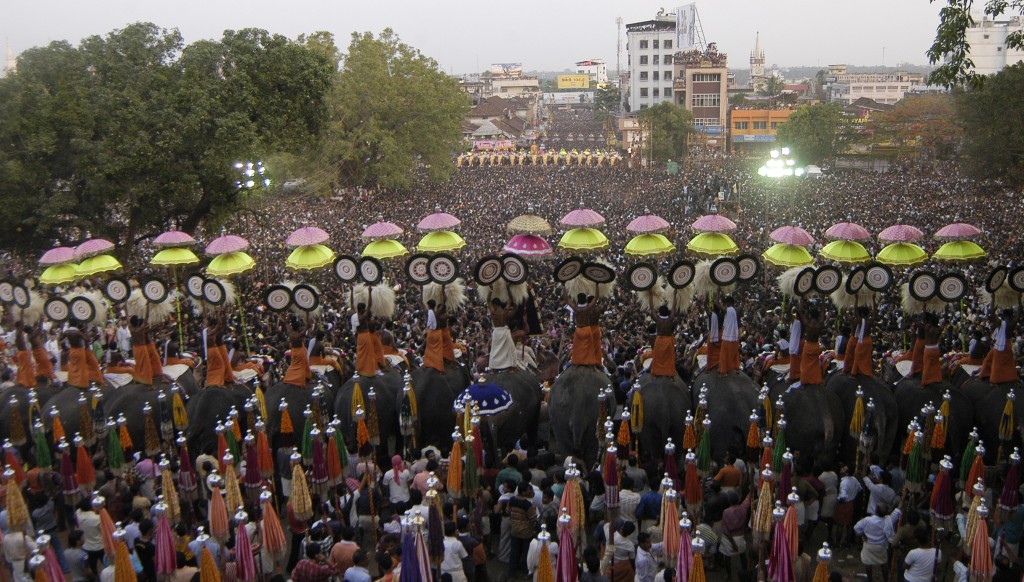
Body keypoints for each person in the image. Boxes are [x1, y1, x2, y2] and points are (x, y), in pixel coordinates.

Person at [853, 506, 901, 582]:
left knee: (868, 563)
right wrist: (904, 497)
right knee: (883, 563)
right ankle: (886, 579)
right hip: (881, 547)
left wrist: (862, 534)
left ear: (875, 511)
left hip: (869, 545)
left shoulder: (867, 520)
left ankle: (870, 579)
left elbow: (856, 528)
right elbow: (897, 511)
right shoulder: (888, 520)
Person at [507, 482, 539, 580]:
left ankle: (511, 572)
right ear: (524, 492)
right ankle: (526, 571)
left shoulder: (512, 500)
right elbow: (533, 519)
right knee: (526, 553)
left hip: (514, 531)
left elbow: (508, 511)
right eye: (529, 490)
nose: (531, 491)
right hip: (526, 533)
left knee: (514, 552)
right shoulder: (528, 505)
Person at [570, 294, 604, 367]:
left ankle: (579, 361)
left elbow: (569, 301)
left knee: (579, 347)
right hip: (593, 329)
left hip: (583, 328)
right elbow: (603, 304)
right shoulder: (595, 308)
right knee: (594, 347)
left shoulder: (581, 308)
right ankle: (595, 362)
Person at [488, 299, 518, 371]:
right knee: (512, 349)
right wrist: (509, 291)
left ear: (494, 305)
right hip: (504, 332)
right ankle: (514, 366)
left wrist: (490, 291)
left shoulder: (492, 312)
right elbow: (511, 303)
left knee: (494, 349)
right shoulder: (504, 311)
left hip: (496, 332)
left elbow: (488, 300)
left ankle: (491, 368)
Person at [282, 318, 312, 388]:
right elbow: (308, 327)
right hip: (300, 352)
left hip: (294, 351)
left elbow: (286, 324)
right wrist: (307, 323)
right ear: (298, 328)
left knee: (293, 364)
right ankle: (304, 379)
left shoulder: (290, 332)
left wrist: (285, 320)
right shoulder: (298, 335)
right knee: (302, 365)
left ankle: (289, 377)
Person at [650, 305, 677, 378]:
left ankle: (656, 373)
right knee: (669, 358)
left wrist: (650, 295)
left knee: (657, 358)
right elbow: (674, 308)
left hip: (659, 341)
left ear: (659, 312)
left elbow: (652, 309)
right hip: (668, 341)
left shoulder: (657, 319)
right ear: (668, 312)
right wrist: (675, 294)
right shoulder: (670, 319)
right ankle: (670, 373)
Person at [717, 295, 741, 376]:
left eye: (726, 303)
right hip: (735, 338)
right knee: (734, 354)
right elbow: (743, 303)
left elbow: (716, 303)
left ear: (728, 303)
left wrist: (718, 292)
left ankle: (723, 372)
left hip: (727, 337)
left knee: (723, 355)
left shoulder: (728, 310)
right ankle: (736, 368)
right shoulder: (736, 310)